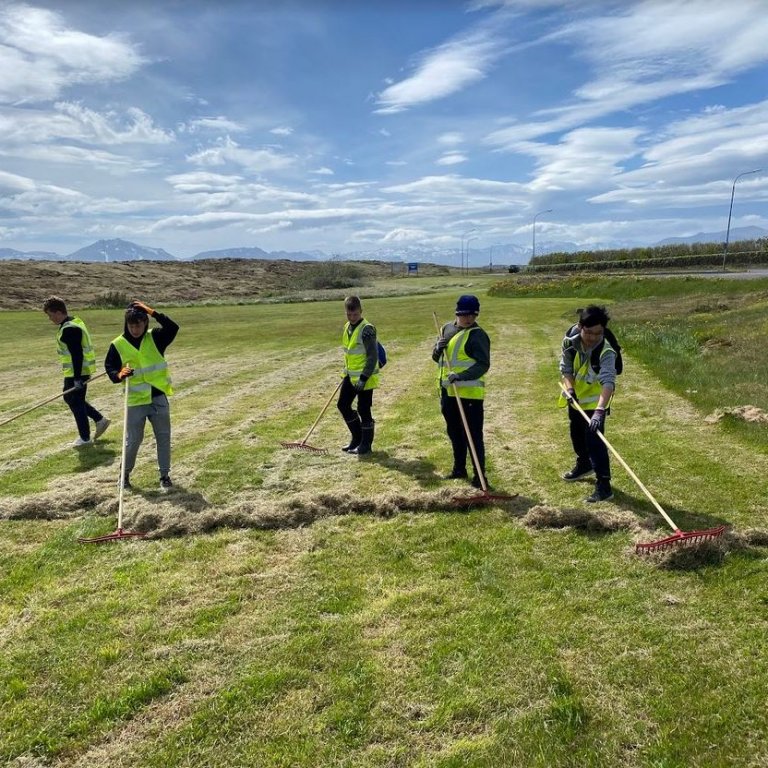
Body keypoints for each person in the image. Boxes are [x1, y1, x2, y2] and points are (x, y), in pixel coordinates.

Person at [104, 300, 178, 491]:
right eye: (131, 325)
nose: (135, 329)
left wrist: (152, 312)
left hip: (158, 398)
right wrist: (119, 375)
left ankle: (164, 476)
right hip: (135, 402)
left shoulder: (156, 338)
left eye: (139, 325)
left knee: (163, 437)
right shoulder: (117, 344)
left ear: (145, 323)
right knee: (133, 441)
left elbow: (173, 327)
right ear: (126, 324)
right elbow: (110, 367)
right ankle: (125, 475)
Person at [559, 304, 617, 503]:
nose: (593, 337)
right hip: (577, 399)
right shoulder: (570, 341)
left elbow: (608, 382)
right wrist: (570, 389)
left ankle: (604, 485)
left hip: (597, 401)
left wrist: (599, 412)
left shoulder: (606, 351)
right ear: (580, 326)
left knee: (595, 441)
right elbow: (565, 368)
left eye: (598, 333)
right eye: (589, 332)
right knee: (576, 435)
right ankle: (584, 465)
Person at [432, 294, 490, 488]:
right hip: (448, 393)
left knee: (473, 436)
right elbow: (436, 358)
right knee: (455, 433)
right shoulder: (445, 329)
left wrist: (461, 376)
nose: (469, 319)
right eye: (465, 315)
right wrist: (438, 349)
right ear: (457, 313)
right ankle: (459, 469)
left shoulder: (478, 335)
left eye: (473, 315)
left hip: (470, 395)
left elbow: (483, 365)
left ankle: (480, 478)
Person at [43, 296, 110, 447]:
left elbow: (77, 354)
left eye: (50, 315)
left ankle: (85, 438)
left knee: (76, 402)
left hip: (77, 373)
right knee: (71, 399)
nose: (50, 318)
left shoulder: (69, 329)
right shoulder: (73, 322)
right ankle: (100, 420)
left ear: (59, 312)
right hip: (76, 372)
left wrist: (78, 379)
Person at [337, 295, 379, 455]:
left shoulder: (367, 329)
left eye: (355, 314)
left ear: (361, 311)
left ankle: (366, 445)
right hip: (350, 375)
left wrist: (363, 378)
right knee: (343, 405)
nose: (352, 317)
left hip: (365, 377)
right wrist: (346, 372)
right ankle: (357, 438)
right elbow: (349, 353)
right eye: (349, 314)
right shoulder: (347, 327)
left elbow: (372, 356)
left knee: (363, 409)